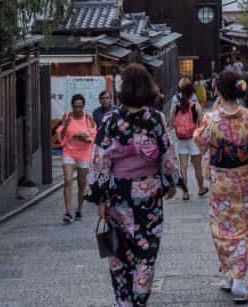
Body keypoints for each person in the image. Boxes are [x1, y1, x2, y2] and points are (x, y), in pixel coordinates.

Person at [86, 64, 182, 306]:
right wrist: (172, 181)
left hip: (117, 194)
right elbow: (167, 155)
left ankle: (123, 301)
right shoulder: (156, 119)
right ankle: (140, 299)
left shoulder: (110, 120)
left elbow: (100, 159)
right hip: (148, 195)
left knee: (119, 252)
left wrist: (99, 195)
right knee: (145, 252)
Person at [193, 69, 248, 304]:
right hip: (244, 179)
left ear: (218, 91)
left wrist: (215, 112)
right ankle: (234, 279)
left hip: (220, 181)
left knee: (221, 228)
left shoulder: (211, 119)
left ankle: (232, 277)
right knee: (243, 228)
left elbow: (200, 141)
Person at [58, 93, 97, 223]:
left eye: (80, 106)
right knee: (68, 180)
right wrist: (66, 125)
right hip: (69, 151)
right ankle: (68, 211)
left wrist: (84, 137)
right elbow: (61, 136)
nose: (78, 109)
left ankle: (79, 209)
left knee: (81, 183)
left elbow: (93, 136)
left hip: (84, 153)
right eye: (75, 106)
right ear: (72, 106)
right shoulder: (67, 117)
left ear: (84, 106)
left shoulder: (88, 118)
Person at [171, 79, 207, 200]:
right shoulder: (196, 106)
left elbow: (172, 123)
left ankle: (185, 193)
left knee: (183, 167)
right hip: (193, 139)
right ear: (192, 93)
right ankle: (201, 188)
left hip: (181, 140)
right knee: (197, 167)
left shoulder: (176, 107)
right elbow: (202, 125)